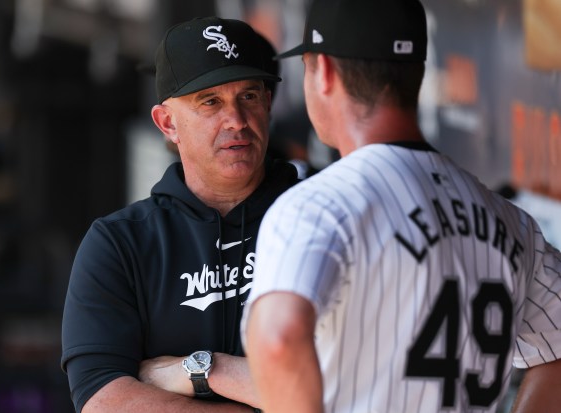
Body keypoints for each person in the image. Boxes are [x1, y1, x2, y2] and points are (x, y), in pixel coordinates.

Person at [242, 1, 561, 412]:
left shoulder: (318, 205)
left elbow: (277, 337)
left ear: (324, 71)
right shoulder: (511, 220)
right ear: (416, 73)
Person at [61, 16, 299, 413]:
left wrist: (206, 370)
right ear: (168, 123)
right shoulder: (120, 242)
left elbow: (349, 379)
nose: (237, 120)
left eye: (250, 97)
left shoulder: (320, 216)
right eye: (211, 102)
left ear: (269, 104)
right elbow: (103, 400)